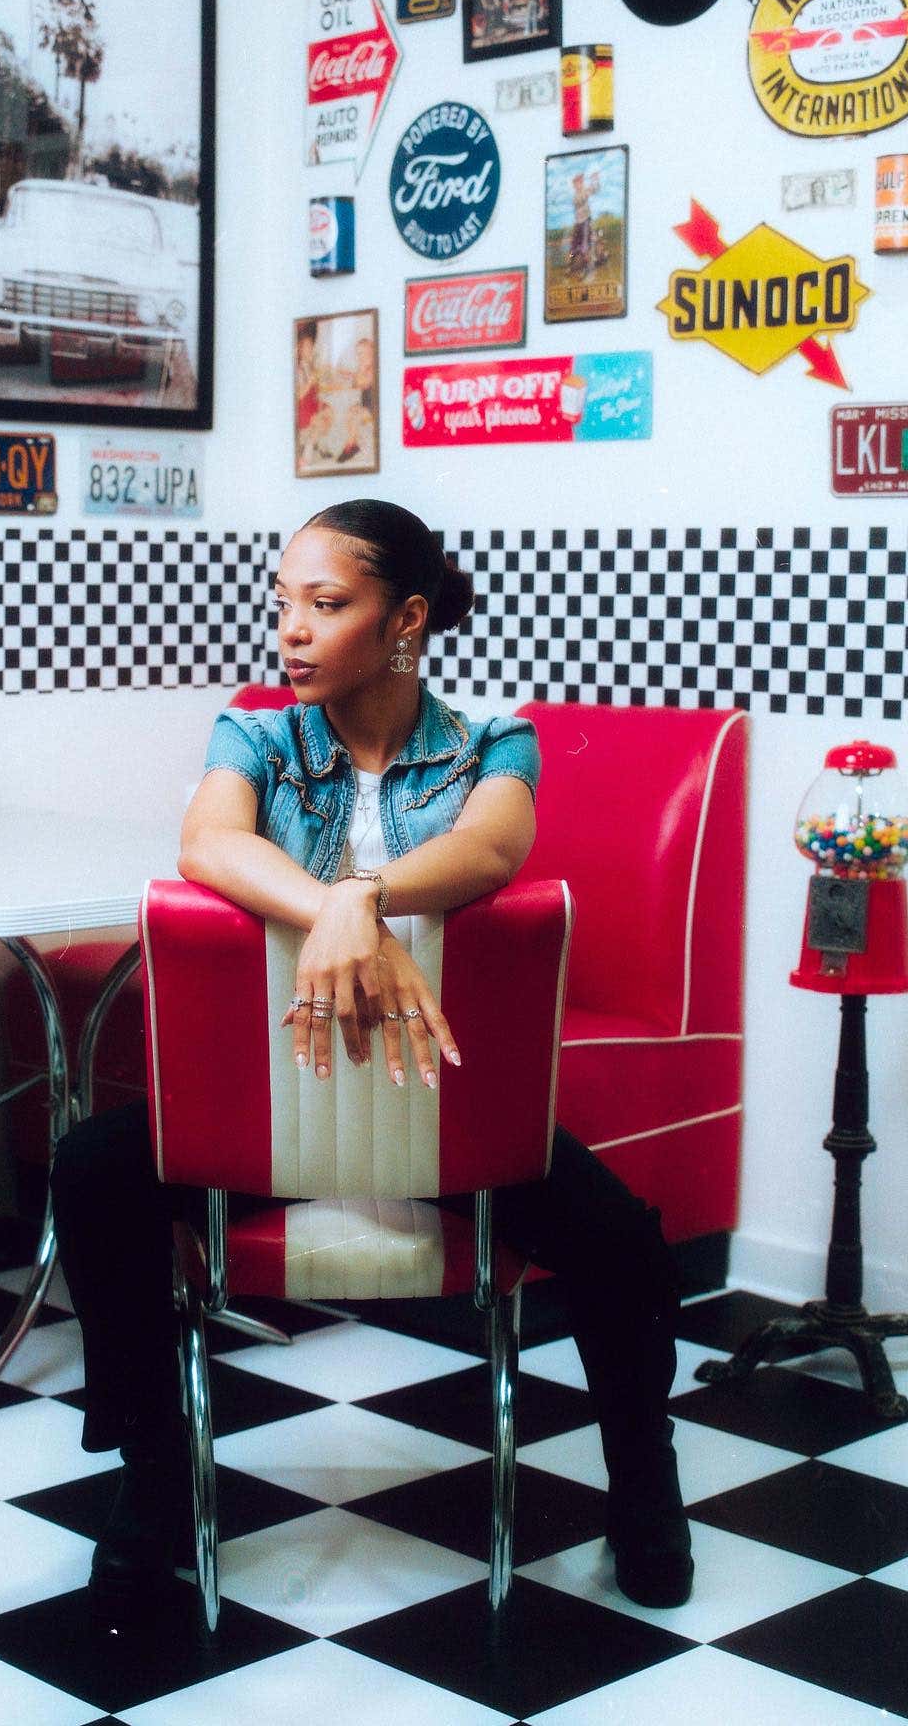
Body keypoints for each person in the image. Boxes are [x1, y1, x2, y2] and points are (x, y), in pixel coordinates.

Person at [50, 500, 693, 1624]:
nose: (290, 630)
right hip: (271, 1109)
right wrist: (342, 913)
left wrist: (369, 896)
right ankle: (150, 1480)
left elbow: (495, 845)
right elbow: (208, 841)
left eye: (325, 604)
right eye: (283, 603)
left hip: (446, 1109)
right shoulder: (252, 736)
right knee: (93, 1169)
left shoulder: (496, 741)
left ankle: (645, 1489)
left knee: (626, 1245)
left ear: (404, 620)